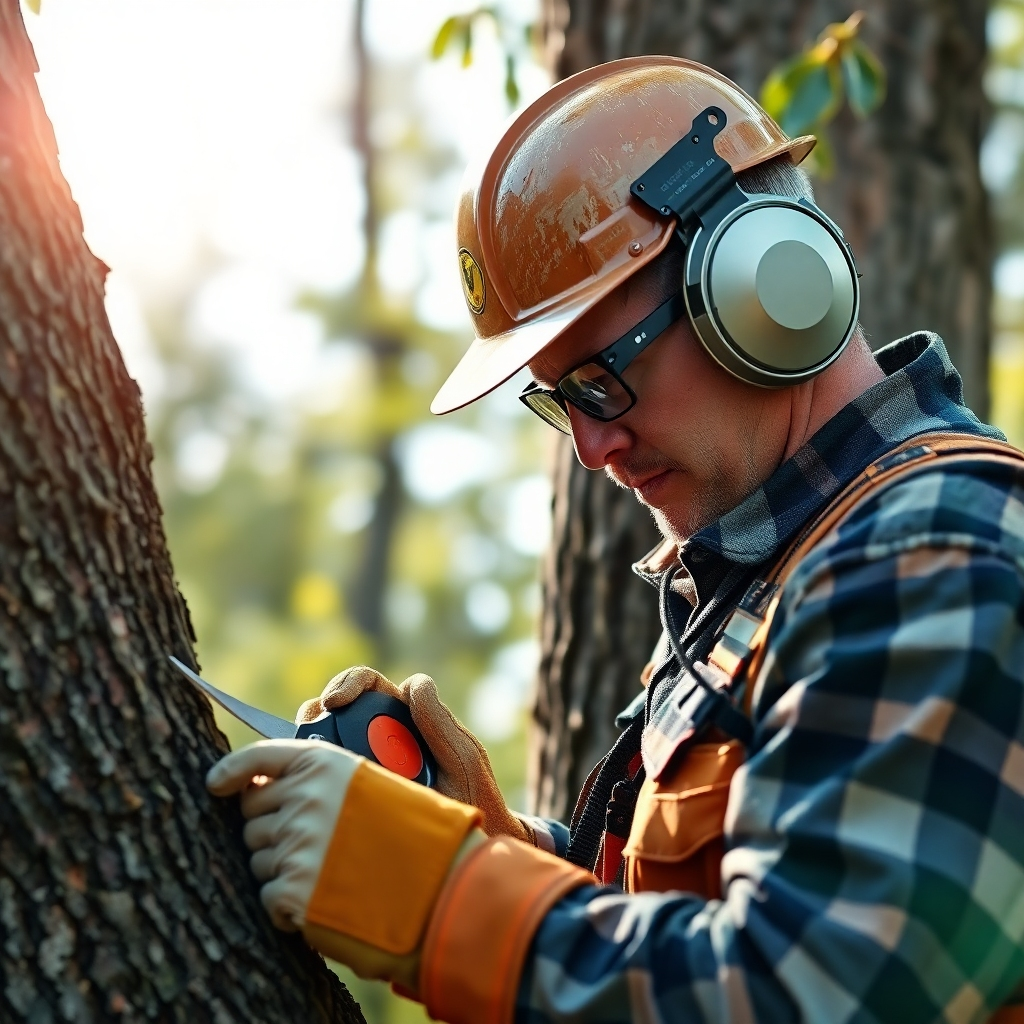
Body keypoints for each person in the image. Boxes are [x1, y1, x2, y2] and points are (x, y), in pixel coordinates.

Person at [205, 57, 1024, 1023]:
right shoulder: (774, 575)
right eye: (561, 401)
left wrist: (443, 897)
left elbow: (811, 991)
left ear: (764, 283)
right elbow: (711, 919)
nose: (591, 446)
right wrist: (501, 849)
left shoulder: (938, 549)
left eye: (602, 377)